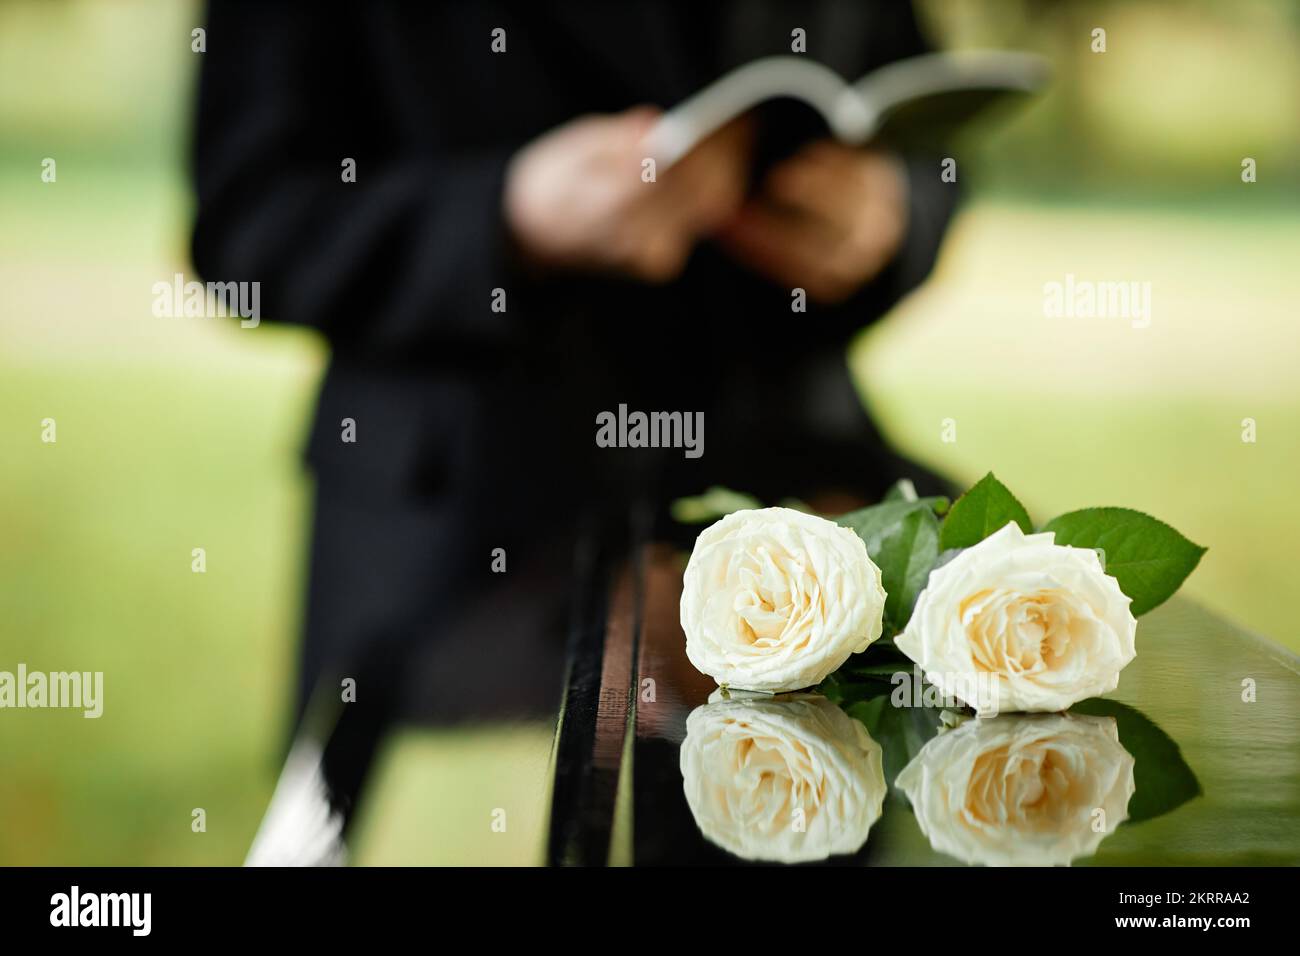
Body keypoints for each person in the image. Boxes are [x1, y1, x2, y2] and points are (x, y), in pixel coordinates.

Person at [191, 1, 956, 810]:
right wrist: (504, 215)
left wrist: (891, 215)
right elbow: (248, 218)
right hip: (456, 541)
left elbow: (925, 128)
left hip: (807, 501)